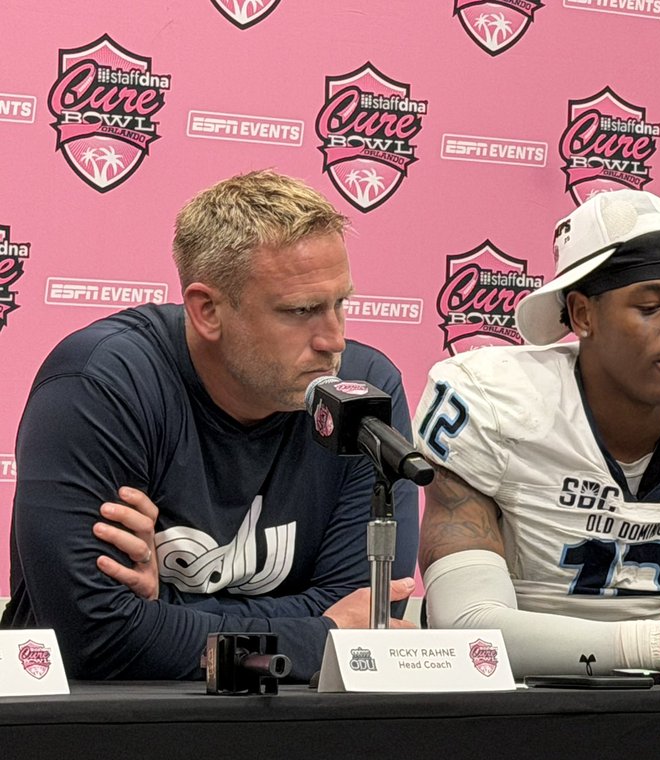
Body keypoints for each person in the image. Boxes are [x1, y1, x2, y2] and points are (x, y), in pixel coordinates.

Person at [3, 170, 419, 681]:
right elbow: (91, 640)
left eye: (340, 304)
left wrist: (167, 609)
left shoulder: (361, 391)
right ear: (207, 310)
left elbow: (372, 613)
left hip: (298, 736)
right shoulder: (102, 383)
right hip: (97, 734)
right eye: (300, 311)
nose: (333, 341)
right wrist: (318, 636)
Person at [414, 189, 660, 676]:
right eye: (651, 306)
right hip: (509, 709)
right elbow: (467, 631)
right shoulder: (494, 404)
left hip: (653, 708)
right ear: (583, 314)